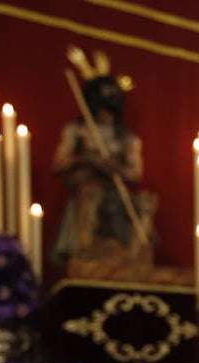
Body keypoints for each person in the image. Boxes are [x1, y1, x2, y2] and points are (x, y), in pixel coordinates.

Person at [50, 70, 145, 264]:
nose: (105, 113)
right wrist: (86, 158)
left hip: (115, 194)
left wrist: (111, 167)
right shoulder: (77, 130)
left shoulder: (127, 138)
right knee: (91, 192)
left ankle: (135, 254)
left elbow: (135, 174)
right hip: (86, 192)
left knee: (146, 202)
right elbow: (58, 164)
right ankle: (85, 250)